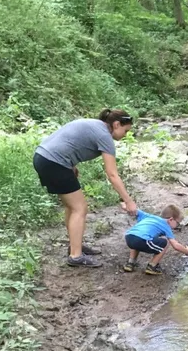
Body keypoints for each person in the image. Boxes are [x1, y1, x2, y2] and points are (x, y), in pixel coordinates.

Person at [33, 108, 138, 268]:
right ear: (116, 124)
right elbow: (112, 175)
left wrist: (72, 165)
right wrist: (129, 201)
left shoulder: (95, 125)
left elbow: (71, 140)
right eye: (126, 130)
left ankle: (75, 247)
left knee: (71, 206)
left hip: (43, 157)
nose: (126, 135)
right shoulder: (105, 136)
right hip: (55, 163)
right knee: (80, 208)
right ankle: (75, 256)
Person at [123, 204, 188, 275]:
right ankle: (152, 266)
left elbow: (133, 210)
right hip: (142, 240)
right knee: (165, 242)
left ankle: (130, 263)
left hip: (129, 237)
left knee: (138, 238)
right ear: (171, 219)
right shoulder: (166, 226)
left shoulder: (149, 216)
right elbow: (175, 245)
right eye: (178, 223)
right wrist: (187, 251)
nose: (178, 225)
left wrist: (124, 204)